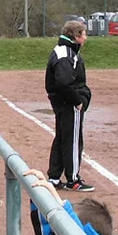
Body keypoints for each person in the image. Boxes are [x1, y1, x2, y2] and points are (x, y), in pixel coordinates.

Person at [46, 20, 93, 192]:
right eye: (84, 34)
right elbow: (64, 82)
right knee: (73, 140)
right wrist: (77, 101)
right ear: (75, 36)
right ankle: (73, 179)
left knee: (62, 137)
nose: (86, 38)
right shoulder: (66, 54)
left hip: (63, 103)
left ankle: (54, 177)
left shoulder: (66, 51)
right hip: (68, 104)